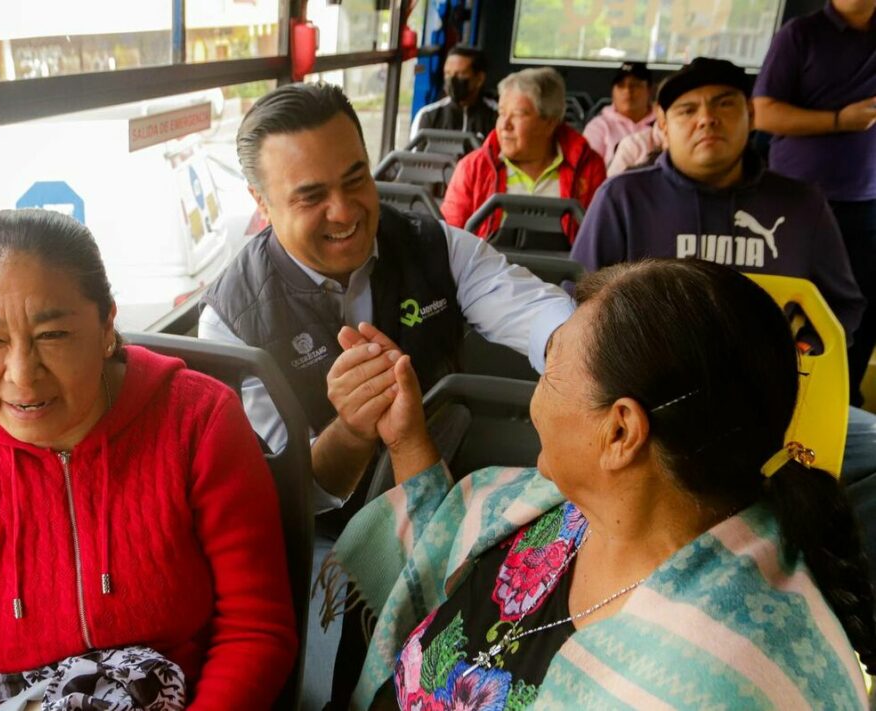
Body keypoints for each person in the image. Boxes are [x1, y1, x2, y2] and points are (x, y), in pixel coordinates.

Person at [324, 259, 874, 710]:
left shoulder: (715, 684)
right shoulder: (564, 513)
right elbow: (441, 556)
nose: (537, 388)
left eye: (551, 365)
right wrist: (406, 441)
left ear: (619, 432)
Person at [0, 210, 297, 710]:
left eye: (52, 336)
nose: (22, 376)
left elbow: (256, 626)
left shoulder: (199, 422)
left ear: (106, 327)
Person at [199, 82, 571, 517]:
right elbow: (289, 492)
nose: (344, 211)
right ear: (261, 202)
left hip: (451, 468)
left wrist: (584, 356)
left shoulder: (435, 247)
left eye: (356, 179)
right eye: (311, 197)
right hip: (324, 533)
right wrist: (353, 430)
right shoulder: (231, 321)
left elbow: (543, 314)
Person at [570, 56, 876, 586]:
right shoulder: (623, 199)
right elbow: (582, 313)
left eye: (724, 104)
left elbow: (840, 309)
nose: (706, 119)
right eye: (686, 109)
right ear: (661, 128)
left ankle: (840, 599)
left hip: (788, 403)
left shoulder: (801, 205)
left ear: (750, 119)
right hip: (657, 412)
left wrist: (801, 361)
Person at [752, 0, 876, 406]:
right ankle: (776, 400)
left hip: (867, 203)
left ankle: (841, 401)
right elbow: (764, 114)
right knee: (786, 310)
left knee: (858, 312)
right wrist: (840, 120)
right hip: (796, 204)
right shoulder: (800, 36)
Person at [441, 67, 605, 243]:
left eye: (517, 115)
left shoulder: (588, 167)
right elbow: (449, 241)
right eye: (502, 113)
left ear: (549, 123)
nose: (505, 125)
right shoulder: (473, 168)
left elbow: (598, 242)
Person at [409, 45, 498, 142]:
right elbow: (415, 155)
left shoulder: (497, 115)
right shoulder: (428, 115)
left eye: (460, 74)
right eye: (447, 73)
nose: (452, 80)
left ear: (479, 79)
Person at [582, 61, 657, 166]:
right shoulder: (598, 127)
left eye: (635, 85)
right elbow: (588, 171)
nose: (627, 90)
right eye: (621, 85)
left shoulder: (663, 124)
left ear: (650, 90)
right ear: (612, 91)